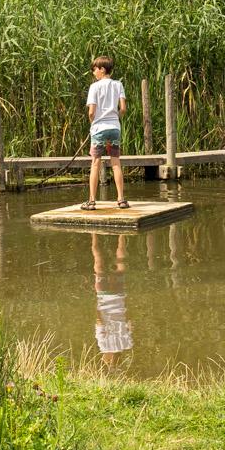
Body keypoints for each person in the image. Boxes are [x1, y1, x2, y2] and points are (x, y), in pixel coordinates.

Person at [83, 55, 129, 210]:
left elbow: (91, 112)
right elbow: (122, 108)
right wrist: (116, 117)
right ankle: (121, 199)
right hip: (114, 128)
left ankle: (92, 201)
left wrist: (93, 123)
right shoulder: (118, 84)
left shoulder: (94, 87)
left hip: (99, 129)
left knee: (95, 163)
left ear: (102, 69)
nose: (93, 73)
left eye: (94, 69)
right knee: (116, 162)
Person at [91, 232, 132, 367]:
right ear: (109, 359)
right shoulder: (103, 345)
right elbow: (99, 322)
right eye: (105, 361)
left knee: (121, 262)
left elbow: (130, 321)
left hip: (119, 297)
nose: (103, 358)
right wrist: (96, 305)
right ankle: (94, 233)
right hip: (103, 296)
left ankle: (122, 234)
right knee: (98, 262)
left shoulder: (127, 344)